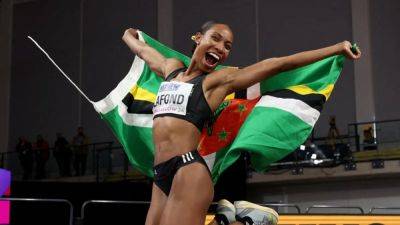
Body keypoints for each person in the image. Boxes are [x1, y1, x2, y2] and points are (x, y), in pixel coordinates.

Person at [122, 21, 361, 225]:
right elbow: (144, 52)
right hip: (161, 172)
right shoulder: (172, 69)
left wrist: (336, 49)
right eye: (215, 38)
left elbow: (278, 64)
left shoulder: (217, 82)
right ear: (197, 38)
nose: (220, 48)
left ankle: (249, 221)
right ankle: (230, 219)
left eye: (227, 46)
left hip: (188, 169)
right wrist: (128, 37)